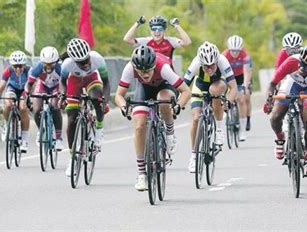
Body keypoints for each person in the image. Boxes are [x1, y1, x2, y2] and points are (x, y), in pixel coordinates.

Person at [115, 45, 191, 191]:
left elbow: (186, 91)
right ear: (135, 67)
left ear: (154, 65)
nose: (144, 74)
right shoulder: (129, 68)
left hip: (165, 86)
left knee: (163, 100)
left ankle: (169, 132)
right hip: (144, 89)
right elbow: (119, 95)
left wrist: (178, 106)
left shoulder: (163, 68)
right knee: (139, 126)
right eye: (141, 71)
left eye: (148, 70)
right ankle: (142, 174)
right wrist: (124, 107)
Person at [265, 44, 307, 176]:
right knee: (275, 116)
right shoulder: (292, 61)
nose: (303, 68)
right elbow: (273, 83)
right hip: (293, 84)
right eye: (302, 64)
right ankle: (280, 139)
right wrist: (269, 99)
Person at [184, 41, 237, 173]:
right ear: (201, 63)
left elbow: (234, 87)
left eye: (212, 65)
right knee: (196, 118)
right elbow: (183, 85)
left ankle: (219, 130)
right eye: (206, 66)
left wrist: (229, 102)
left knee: (215, 91)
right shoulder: (195, 62)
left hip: (217, 84)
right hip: (200, 85)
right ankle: (194, 155)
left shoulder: (222, 61)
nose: (209, 69)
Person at [61, 38, 110, 177]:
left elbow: (106, 82)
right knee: (71, 120)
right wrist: (63, 95)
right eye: (81, 63)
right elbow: (62, 82)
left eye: (87, 59)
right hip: (74, 81)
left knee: (96, 98)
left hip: (92, 79)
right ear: (74, 61)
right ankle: (72, 158)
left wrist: (105, 100)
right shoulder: (67, 65)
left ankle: (99, 128)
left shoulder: (97, 59)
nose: (86, 64)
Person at [26, 46, 64, 151]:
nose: (48, 67)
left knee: (55, 107)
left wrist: (62, 96)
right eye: (45, 64)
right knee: (37, 109)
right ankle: (41, 131)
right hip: (42, 86)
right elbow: (29, 84)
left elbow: (64, 85)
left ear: (56, 62)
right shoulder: (37, 68)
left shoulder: (60, 69)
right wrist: (28, 96)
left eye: (51, 64)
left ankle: (59, 138)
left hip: (56, 87)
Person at [0, 51, 31, 152]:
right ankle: (6, 124)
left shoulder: (29, 70)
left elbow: (33, 85)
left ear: (24, 65)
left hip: (24, 90)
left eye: (20, 66)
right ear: (12, 65)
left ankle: (25, 139)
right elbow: (1, 86)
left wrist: (30, 98)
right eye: (15, 66)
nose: (18, 69)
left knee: (22, 108)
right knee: (8, 104)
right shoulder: (8, 70)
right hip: (12, 88)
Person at [222, 35, 251, 141]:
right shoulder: (224, 55)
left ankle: (242, 130)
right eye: (232, 51)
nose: (235, 53)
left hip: (240, 77)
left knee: (242, 99)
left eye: (237, 51)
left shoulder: (244, 55)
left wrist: (245, 85)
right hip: (228, 77)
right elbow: (221, 73)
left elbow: (247, 71)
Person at [123, 15, 191, 61]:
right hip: (149, 77)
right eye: (154, 28)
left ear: (165, 30)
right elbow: (127, 39)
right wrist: (138, 23)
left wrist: (177, 26)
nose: (157, 31)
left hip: (167, 78)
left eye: (160, 29)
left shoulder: (170, 41)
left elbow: (187, 42)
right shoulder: (146, 41)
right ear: (150, 30)